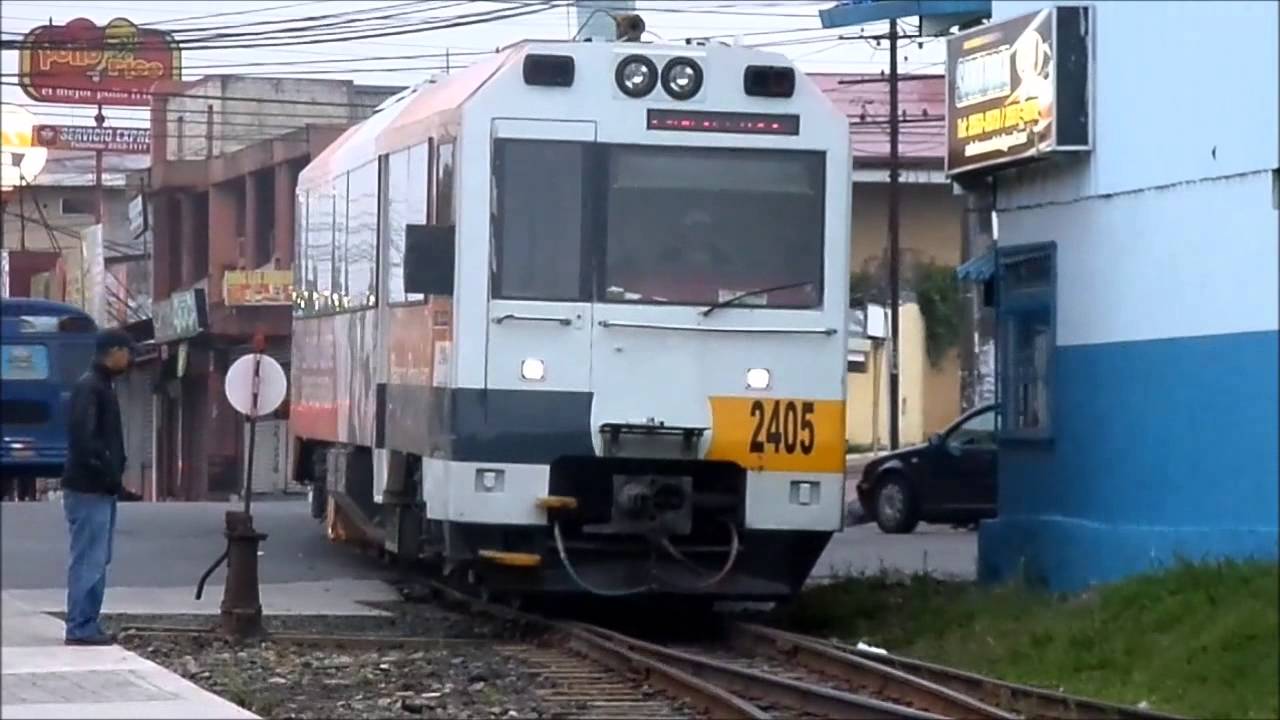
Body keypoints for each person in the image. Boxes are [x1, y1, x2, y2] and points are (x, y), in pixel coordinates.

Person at [61, 329, 133, 646]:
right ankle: (80, 626)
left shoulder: (101, 386)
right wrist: (107, 474)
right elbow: (84, 440)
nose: (129, 358)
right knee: (89, 558)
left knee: (97, 558)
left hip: (99, 488)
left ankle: (87, 622)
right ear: (112, 351)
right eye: (126, 352)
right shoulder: (91, 388)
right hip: (89, 489)